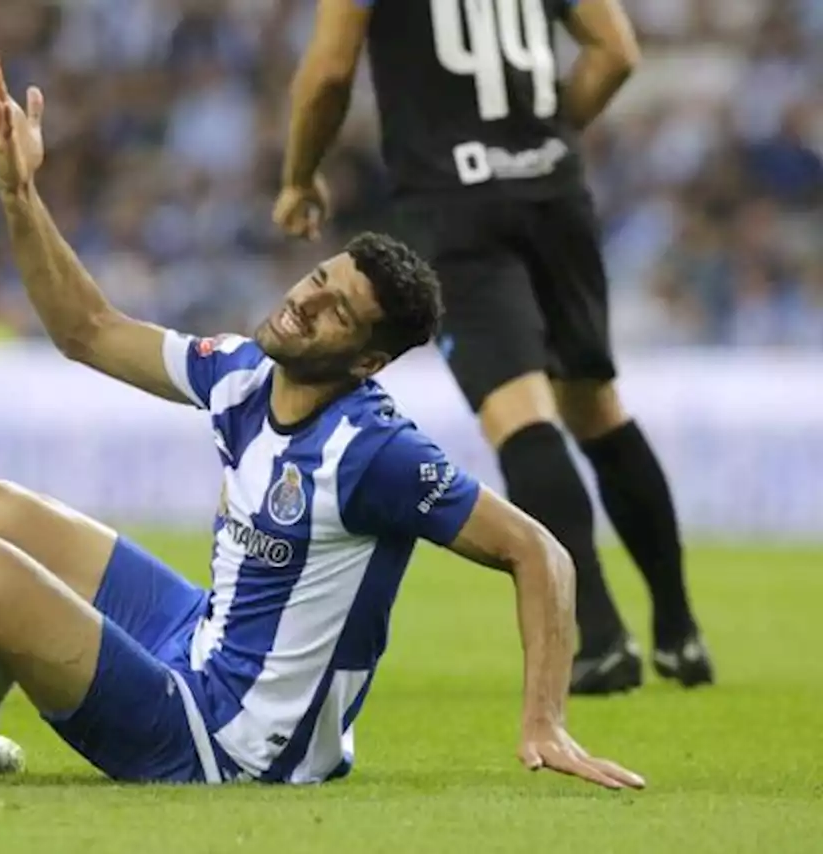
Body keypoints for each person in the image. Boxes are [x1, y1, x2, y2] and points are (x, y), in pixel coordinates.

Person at [0, 53, 644, 791]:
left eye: (333, 308)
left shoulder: (370, 451)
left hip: (223, 739)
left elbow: (535, 549)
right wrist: (19, 196)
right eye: (316, 277)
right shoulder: (242, 373)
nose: (303, 299)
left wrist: (541, 714)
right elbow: (88, 328)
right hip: (199, 641)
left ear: (366, 356)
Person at [273, 0, 712, 694]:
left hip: (455, 204)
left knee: (520, 414)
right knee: (595, 404)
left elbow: (329, 73)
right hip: (554, 193)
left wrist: (299, 175)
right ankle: (680, 631)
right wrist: (545, 140)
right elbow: (616, 51)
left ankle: (598, 640)